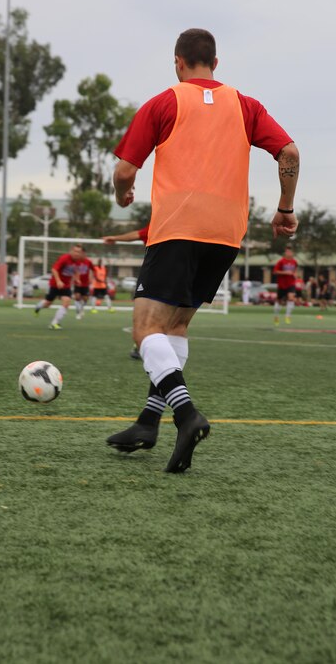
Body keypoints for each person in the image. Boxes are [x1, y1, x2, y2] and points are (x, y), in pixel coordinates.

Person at [106, 27, 299, 473]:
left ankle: (185, 414)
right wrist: (286, 207)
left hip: (177, 228)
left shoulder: (165, 101)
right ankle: (148, 422)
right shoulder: (246, 105)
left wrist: (122, 196)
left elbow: (123, 171)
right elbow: (289, 152)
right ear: (217, 61)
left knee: (145, 329)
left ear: (178, 61)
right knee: (176, 326)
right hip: (226, 233)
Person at [104, 224, 150, 358]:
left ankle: (142, 347)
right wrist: (115, 238)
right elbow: (136, 234)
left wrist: (115, 238)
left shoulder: (165, 224)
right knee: (146, 314)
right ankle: (140, 346)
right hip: (157, 274)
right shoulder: (160, 224)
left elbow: (136, 235)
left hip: (156, 273)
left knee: (146, 314)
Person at [34, 244, 84, 329]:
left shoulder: (78, 261)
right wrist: (58, 281)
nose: (77, 253)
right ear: (71, 251)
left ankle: (54, 323)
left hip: (66, 286)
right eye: (75, 251)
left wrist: (77, 279)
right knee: (47, 304)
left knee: (66, 302)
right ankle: (38, 306)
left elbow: (76, 271)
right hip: (55, 284)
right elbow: (54, 269)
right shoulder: (64, 258)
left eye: (79, 252)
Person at [272, 246, 298, 324]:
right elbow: (275, 271)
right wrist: (285, 272)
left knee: (291, 298)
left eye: (290, 252)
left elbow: (295, 270)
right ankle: (276, 316)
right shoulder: (281, 261)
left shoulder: (294, 262)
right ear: (285, 253)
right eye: (287, 252)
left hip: (291, 283)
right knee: (279, 301)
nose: (289, 253)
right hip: (282, 284)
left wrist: (295, 275)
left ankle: (288, 316)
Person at [73, 249, 95, 319]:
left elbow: (93, 269)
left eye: (82, 253)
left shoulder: (88, 262)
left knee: (85, 299)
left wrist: (91, 278)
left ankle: (81, 308)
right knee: (77, 297)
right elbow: (72, 271)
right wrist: (75, 278)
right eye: (80, 253)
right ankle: (78, 312)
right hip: (77, 283)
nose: (81, 255)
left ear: (85, 254)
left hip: (85, 284)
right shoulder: (76, 262)